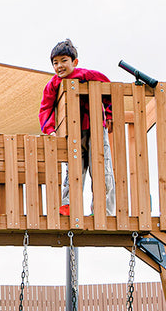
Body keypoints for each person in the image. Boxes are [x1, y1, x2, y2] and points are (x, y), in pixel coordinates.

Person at [38, 38, 115, 217]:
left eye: (64, 61)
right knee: (73, 169)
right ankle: (68, 206)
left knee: (102, 169)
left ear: (75, 62)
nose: (59, 66)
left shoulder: (87, 75)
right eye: (55, 63)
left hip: (95, 129)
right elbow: (45, 108)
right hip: (71, 133)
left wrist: (109, 114)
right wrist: (50, 130)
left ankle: (103, 211)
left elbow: (109, 91)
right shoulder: (53, 85)